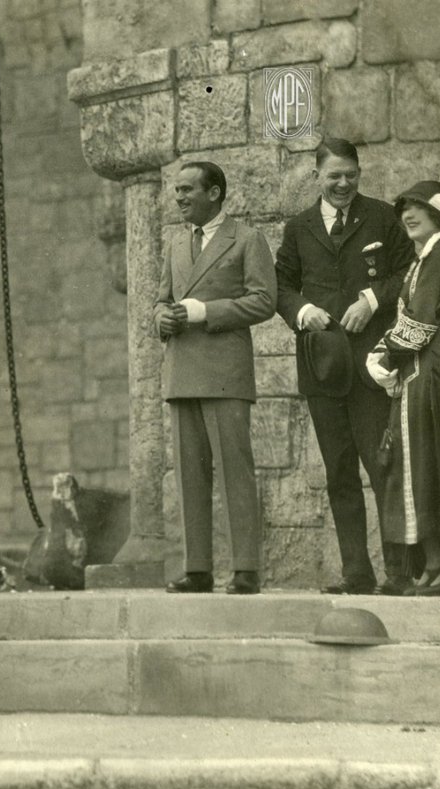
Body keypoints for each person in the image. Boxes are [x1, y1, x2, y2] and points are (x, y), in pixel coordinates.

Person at [275, 137, 418, 595]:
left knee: (384, 469)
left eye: (350, 176)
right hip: (323, 368)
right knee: (339, 474)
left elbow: (409, 272)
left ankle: (400, 575)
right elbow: (280, 286)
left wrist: (372, 299)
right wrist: (303, 311)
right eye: (334, 176)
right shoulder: (298, 228)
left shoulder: (382, 217)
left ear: (359, 174)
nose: (343, 184)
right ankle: (357, 573)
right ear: (316, 176)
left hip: (372, 368)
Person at [154, 161, 276, 595]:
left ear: (215, 193)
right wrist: (161, 318)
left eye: (188, 189)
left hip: (225, 372)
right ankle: (198, 569)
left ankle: (245, 569)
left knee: (233, 472)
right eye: (177, 191)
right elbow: (161, 299)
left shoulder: (246, 239)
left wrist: (206, 312)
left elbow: (264, 300)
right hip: (182, 370)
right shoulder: (175, 243)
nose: (180, 197)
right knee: (189, 475)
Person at [367, 181, 440, 596]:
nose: (407, 214)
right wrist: (390, 355)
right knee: (425, 471)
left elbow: (421, 320)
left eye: (418, 207)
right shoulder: (425, 258)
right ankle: (437, 565)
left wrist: (383, 357)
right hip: (423, 374)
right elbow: (413, 317)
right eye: (404, 209)